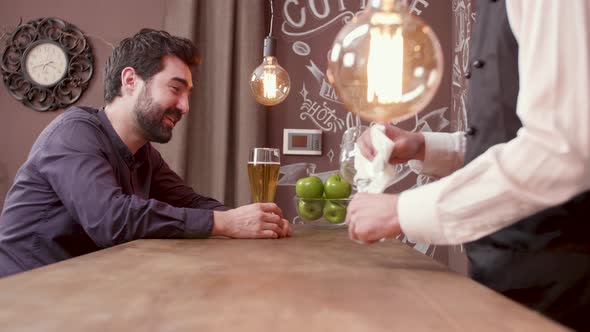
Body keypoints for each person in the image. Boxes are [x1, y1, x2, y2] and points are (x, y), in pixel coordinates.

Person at [346, 0, 590, 329]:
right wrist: (423, 146)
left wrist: (401, 211)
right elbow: (516, 138)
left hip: (566, 281)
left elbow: (561, 151)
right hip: (510, 273)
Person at [0, 29, 291, 278]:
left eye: (187, 94)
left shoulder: (142, 153)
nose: (185, 107)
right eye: (175, 89)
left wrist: (256, 221)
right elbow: (110, 220)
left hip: (81, 290)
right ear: (130, 81)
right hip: (25, 297)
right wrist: (226, 223)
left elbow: (189, 201)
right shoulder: (73, 133)